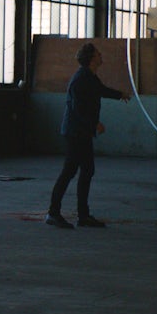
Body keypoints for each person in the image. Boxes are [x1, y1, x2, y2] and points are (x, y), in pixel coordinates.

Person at [46, 42, 130, 229]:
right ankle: (53, 213)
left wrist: (120, 95)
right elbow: (77, 109)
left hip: (82, 132)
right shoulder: (81, 79)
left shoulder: (90, 77)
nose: (101, 56)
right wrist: (94, 124)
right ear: (92, 58)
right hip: (75, 133)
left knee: (86, 170)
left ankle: (83, 215)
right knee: (70, 172)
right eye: (98, 54)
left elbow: (101, 91)